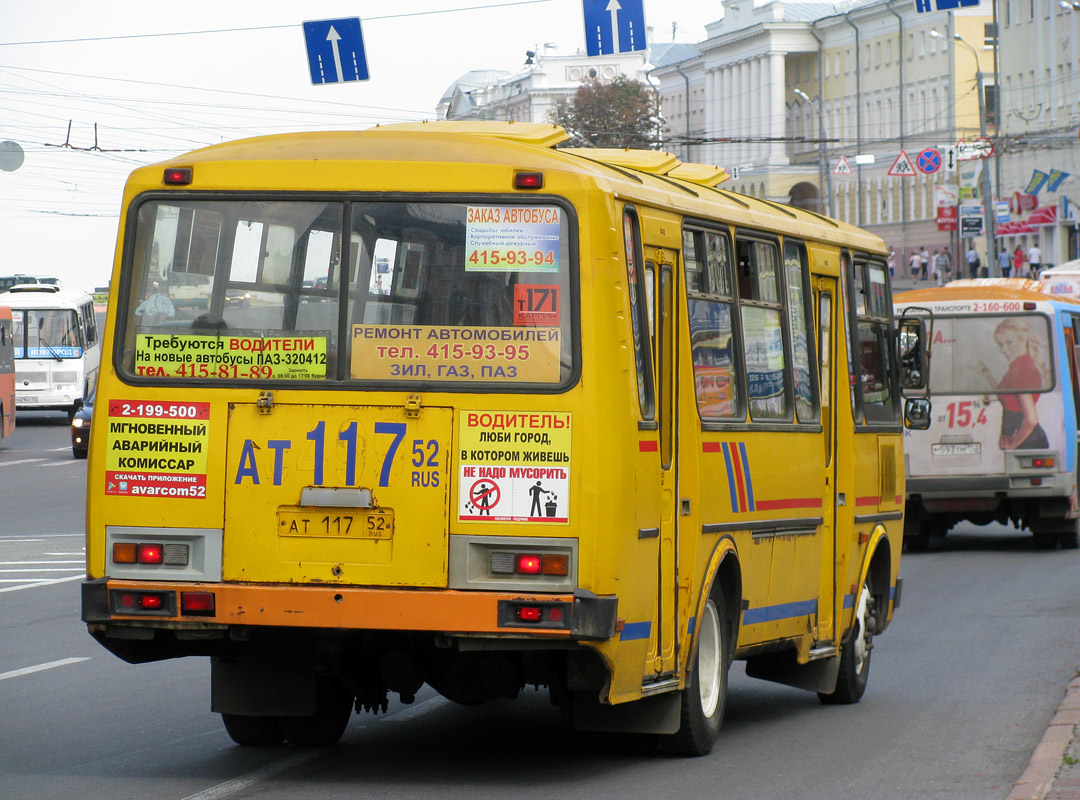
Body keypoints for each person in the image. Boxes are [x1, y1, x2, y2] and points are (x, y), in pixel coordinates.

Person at [974, 317, 1049, 450]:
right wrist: (989, 376)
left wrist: (1012, 446)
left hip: (1024, 439)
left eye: (1010, 342)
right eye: (1001, 344)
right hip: (1022, 436)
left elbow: (1031, 419)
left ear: (1023, 339)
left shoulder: (1021, 370)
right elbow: (1009, 400)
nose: (1004, 349)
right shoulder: (1019, 366)